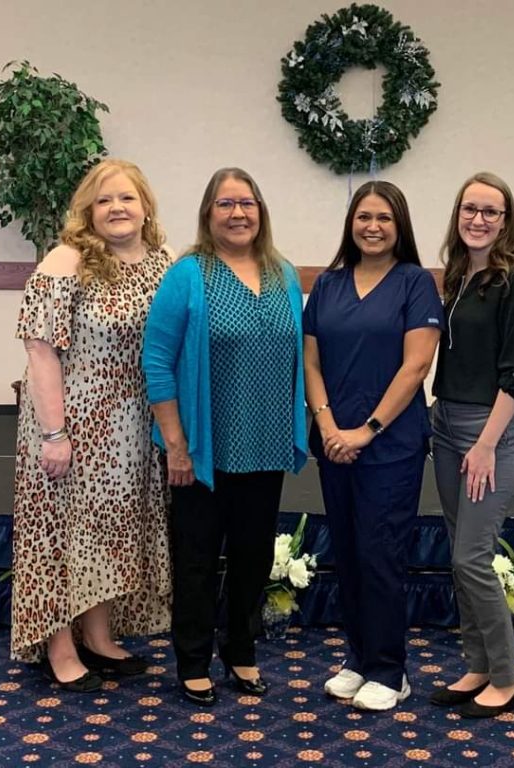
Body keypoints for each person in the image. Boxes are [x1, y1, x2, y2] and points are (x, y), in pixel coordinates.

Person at [142, 168, 307, 707]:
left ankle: (241, 648)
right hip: (202, 452)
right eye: (225, 204)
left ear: (261, 211)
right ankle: (191, 660)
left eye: (247, 203)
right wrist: (176, 444)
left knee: (254, 559)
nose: (238, 214)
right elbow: (158, 362)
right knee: (195, 558)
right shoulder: (187, 275)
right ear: (208, 214)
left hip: (265, 446)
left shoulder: (282, 274)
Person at [11, 159, 173, 691]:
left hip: (130, 428)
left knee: (106, 532)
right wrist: (55, 434)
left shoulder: (162, 264)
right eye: (104, 201)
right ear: (88, 211)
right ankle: (60, 645)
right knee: (60, 531)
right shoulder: (67, 260)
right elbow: (40, 348)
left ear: (145, 206)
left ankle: (98, 637)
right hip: (70, 423)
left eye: (126, 198)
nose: (117, 209)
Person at [303, 180, 442, 711]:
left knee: (380, 552)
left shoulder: (415, 284)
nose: (373, 226)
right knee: (348, 552)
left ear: (399, 225)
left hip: (391, 445)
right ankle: (358, 658)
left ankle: (390, 668)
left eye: (384, 217)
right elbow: (311, 363)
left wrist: (367, 430)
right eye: (364, 216)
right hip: (334, 442)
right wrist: (329, 425)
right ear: (351, 223)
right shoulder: (330, 285)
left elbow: (416, 366)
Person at [428, 173, 514, 718]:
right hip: (446, 426)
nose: (478, 219)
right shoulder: (456, 274)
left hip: (490, 432)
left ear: (506, 220)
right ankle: (476, 663)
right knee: (457, 553)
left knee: (473, 556)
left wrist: (487, 443)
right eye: (470, 208)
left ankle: (507, 675)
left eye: (490, 212)